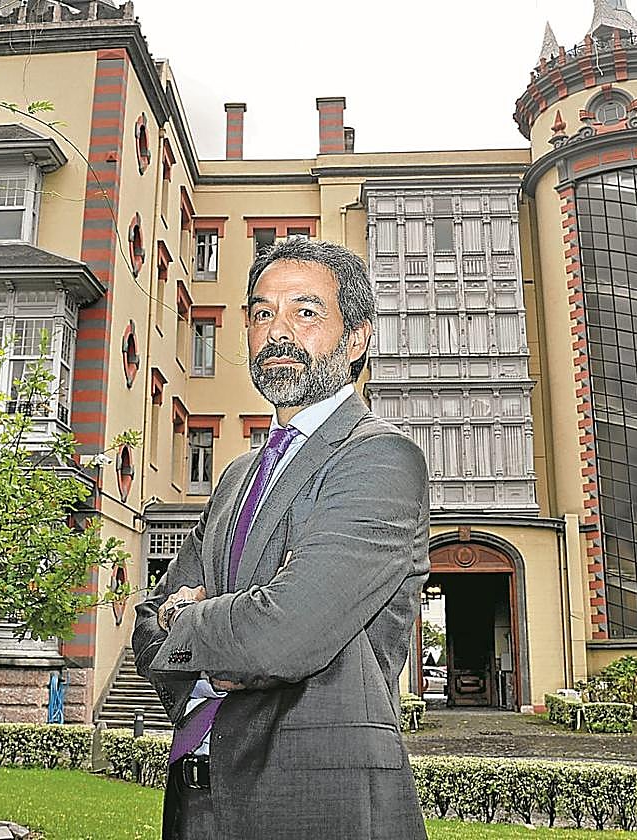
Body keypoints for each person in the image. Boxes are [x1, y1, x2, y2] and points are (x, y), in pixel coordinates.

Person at [132, 237, 430, 839]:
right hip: (197, 804)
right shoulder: (238, 475)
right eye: (262, 313)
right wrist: (209, 636)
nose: (277, 332)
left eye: (306, 312)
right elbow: (145, 626)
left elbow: (285, 635)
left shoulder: (380, 459)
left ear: (356, 339)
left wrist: (185, 620)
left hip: (315, 804)